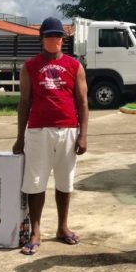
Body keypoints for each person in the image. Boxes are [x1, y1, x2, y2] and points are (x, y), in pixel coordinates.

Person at [13, 17, 89, 255]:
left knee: (65, 181)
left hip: (67, 129)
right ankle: (36, 231)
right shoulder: (30, 66)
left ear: (62, 40)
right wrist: (20, 137)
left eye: (58, 37)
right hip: (38, 130)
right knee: (36, 182)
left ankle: (62, 227)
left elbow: (83, 102)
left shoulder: (74, 66)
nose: (54, 40)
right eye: (49, 36)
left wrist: (83, 135)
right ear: (42, 39)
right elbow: (24, 102)